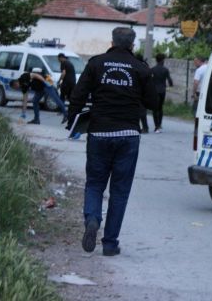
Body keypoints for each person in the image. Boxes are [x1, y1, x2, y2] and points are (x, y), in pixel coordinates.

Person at [66, 27, 157, 256]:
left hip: (99, 132)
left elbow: (78, 94)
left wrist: (72, 120)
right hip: (128, 134)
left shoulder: (97, 63)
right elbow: (154, 102)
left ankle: (92, 219)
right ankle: (109, 243)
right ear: (132, 44)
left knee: (95, 183)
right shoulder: (140, 68)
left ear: (112, 41)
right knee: (120, 191)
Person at [151, 53, 174, 133]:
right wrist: (171, 85)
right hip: (162, 91)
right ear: (162, 60)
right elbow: (170, 80)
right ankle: (159, 124)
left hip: (154, 91)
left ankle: (156, 126)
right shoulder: (165, 70)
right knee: (160, 108)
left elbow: (150, 80)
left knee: (155, 109)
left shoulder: (152, 69)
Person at [135, 53, 150, 133]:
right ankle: (144, 127)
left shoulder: (139, 67)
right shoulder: (145, 66)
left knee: (140, 110)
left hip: (139, 91)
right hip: (144, 91)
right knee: (142, 110)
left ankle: (143, 128)